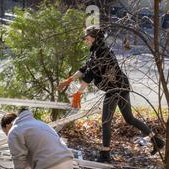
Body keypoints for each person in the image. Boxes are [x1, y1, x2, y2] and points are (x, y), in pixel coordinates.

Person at [58, 26, 165, 162]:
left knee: (106, 121)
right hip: (122, 86)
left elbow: (89, 75)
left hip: (115, 89)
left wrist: (78, 93)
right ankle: (157, 140)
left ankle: (105, 154)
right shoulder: (98, 51)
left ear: (95, 38)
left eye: (87, 37)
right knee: (129, 118)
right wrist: (69, 80)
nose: (85, 39)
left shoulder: (101, 53)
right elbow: (85, 68)